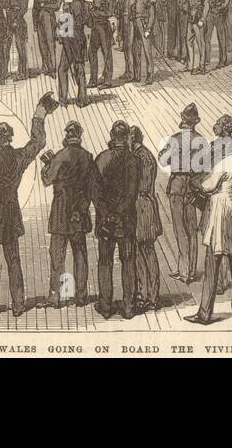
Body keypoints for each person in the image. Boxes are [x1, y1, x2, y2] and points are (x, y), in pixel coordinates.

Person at [0, 95, 53, 316]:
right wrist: (39, 114)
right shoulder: (19, 156)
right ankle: (18, 304)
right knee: (13, 259)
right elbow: (38, 142)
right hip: (10, 211)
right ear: (11, 137)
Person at [185, 118, 232, 327]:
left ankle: (205, 314)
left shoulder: (228, 161)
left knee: (212, 265)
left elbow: (207, 186)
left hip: (220, 213)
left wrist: (199, 183)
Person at [42, 120, 93, 308]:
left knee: (57, 255)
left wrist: (47, 164)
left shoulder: (60, 156)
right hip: (79, 211)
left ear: (67, 136)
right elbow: (91, 185)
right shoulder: (88, 156)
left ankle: (55, 296)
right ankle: (81, 295)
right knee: (80, 253)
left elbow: (47, 179)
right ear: (79, 136)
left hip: (61, 212)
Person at [90, 120, 139, 318]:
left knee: (105, 262)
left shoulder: (101, 158)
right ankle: (129, 307)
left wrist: (107, 213)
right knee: (128, 261)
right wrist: (119, 213)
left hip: (105, 221)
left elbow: (94, 192)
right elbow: (132, 193)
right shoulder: (133, 160)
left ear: (111, 136)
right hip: (125, 221)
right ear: (126, 136)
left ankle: (105, 305)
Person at [161, 103, 203, 282]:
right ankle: (190, 270)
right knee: (191, 229)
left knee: (180, 229)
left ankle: (184, 270)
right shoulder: (201, 140)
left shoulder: (175, 139)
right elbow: (206, 167)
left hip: (178, 185)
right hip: (193, 186)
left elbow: (163, 160)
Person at [129, 125, 163, 309]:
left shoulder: (140, 157)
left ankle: (148, 295)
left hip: (141, 206)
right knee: (144, 251)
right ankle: (148, 294)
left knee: (144, 251)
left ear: (131, 139)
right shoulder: (147, 154)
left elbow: (139, 184)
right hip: (146, 205)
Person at [57, 0, 90, 108]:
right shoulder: (87, 5)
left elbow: (65, 24)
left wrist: (65, 11)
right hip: (80, 37)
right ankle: (82, 99)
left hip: (70, 38)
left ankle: (63, 98)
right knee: (80, 69)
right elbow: (89, 22)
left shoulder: (69, 6)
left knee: (62, 69)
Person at [33, 0, 63, 76]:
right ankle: (45, 66)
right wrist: (35, 21)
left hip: (49, 17)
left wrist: (45, 6)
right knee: (42, 43)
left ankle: (53, 68)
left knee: (50, 43)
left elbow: (57, 5)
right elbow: (35, 5)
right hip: (40, 17)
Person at [7, 0, 32, 81]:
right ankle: (4, 72)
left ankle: (23, 72)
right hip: (9, 16)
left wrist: (16, 19)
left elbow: (24, 7)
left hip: (18, 17)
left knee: (20, 46)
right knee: (6, 45)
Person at [206, 0, 230, 69]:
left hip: (220, 13)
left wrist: (220, 8)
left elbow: (227, 0)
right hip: (211, 12)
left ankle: (223, 60)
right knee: (207, 36)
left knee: (221, 37)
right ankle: (206, 59)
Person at [187, 0, 208, 74]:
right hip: (191, 17)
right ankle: (191, 65)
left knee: (200, 43)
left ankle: (201, 66)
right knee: (189, 41)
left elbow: (206, 5)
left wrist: (202, 19)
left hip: (198, 17)